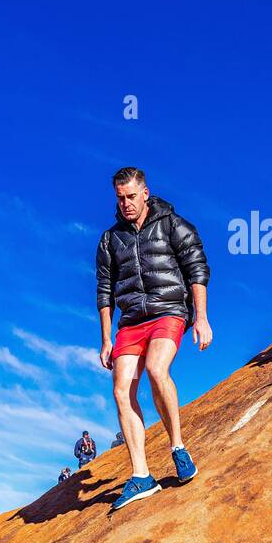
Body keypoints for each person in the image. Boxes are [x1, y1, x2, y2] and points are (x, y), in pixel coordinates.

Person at [96, 167, 211, 510]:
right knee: (120, 390)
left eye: (131, 196)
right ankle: (142, 475)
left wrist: (201, 318)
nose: (126, 203)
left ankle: (177, 447)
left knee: (157, 370)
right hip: (131, 322)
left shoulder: (174, 225)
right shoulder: (109, 239)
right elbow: (104, 291)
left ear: (145, 193)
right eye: (120, 198)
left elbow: (197, 267)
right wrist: (106, 340)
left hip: (169, 310)